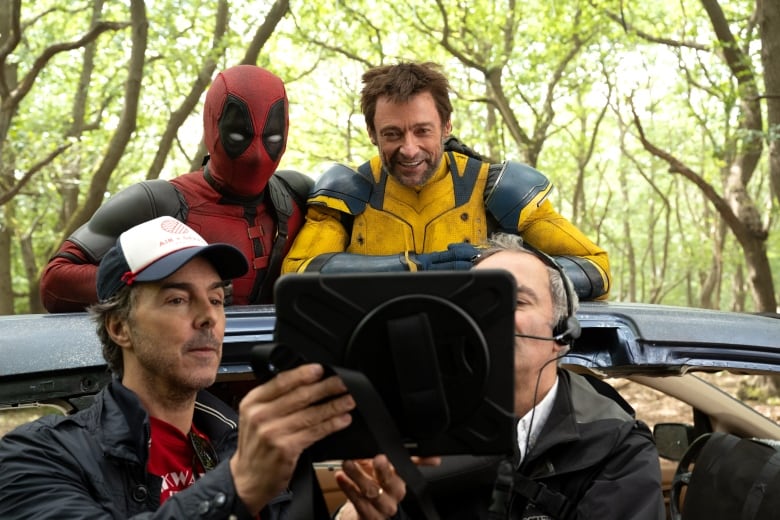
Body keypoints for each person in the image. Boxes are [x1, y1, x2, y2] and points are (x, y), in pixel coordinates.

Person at [0, 216, 407, 519]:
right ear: (120, 327)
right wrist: (238, 486)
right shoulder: (38, 455)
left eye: (215, 299)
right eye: (177, 299)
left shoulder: (243, 444)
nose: (208, 317)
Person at [281, 61, 610, 301]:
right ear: (372, 134)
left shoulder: (498, 189)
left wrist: (503, 276)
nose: (409, 149)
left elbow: (596, 269)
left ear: (447, 126)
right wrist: (415, 268)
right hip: (371, 358)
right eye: (392, 134)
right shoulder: (347, 191)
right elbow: (295, 276)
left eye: (422, 130)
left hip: (481, 358)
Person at [414, 232, 664, 519]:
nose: (489, 316)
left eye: (516, 301)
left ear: (561, 331)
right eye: (476, 302)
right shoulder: (426, 432)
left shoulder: (618, 448)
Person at [41, 64, 312, 312]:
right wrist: (161, 283)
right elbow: (55, 282)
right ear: (212, 124)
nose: (256, 155)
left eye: (272, 137)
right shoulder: (155, 204)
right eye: (239, 135)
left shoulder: (299, 196)